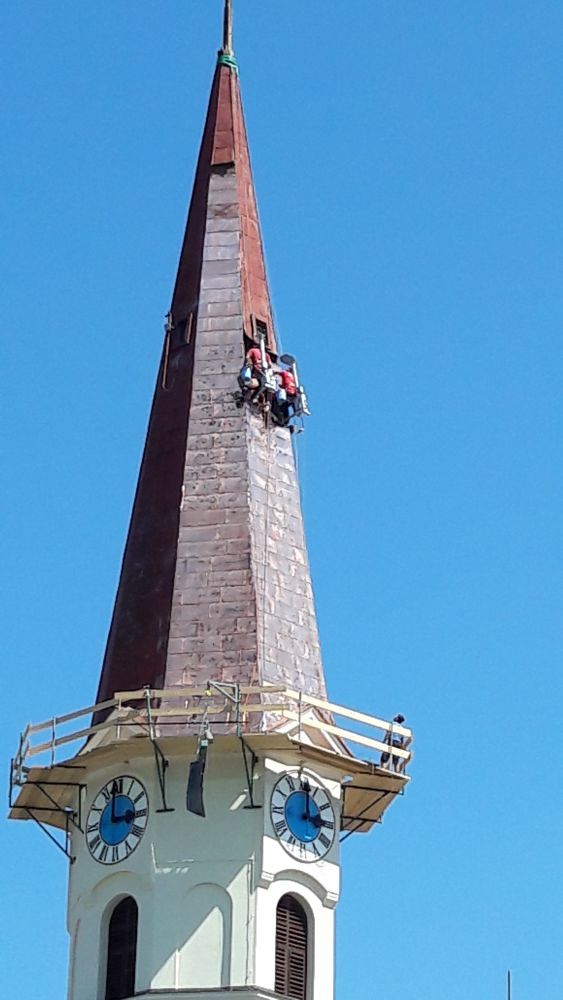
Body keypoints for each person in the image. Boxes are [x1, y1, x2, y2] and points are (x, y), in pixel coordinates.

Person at [271, 363, 298, 427]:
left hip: (287, 393)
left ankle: (277, 416)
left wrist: (273, 372)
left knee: (276, 400)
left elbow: (277, 372)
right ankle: (284, 421)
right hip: (293, 395)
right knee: (284, 406)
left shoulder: (285, 373)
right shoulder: (294, 379)